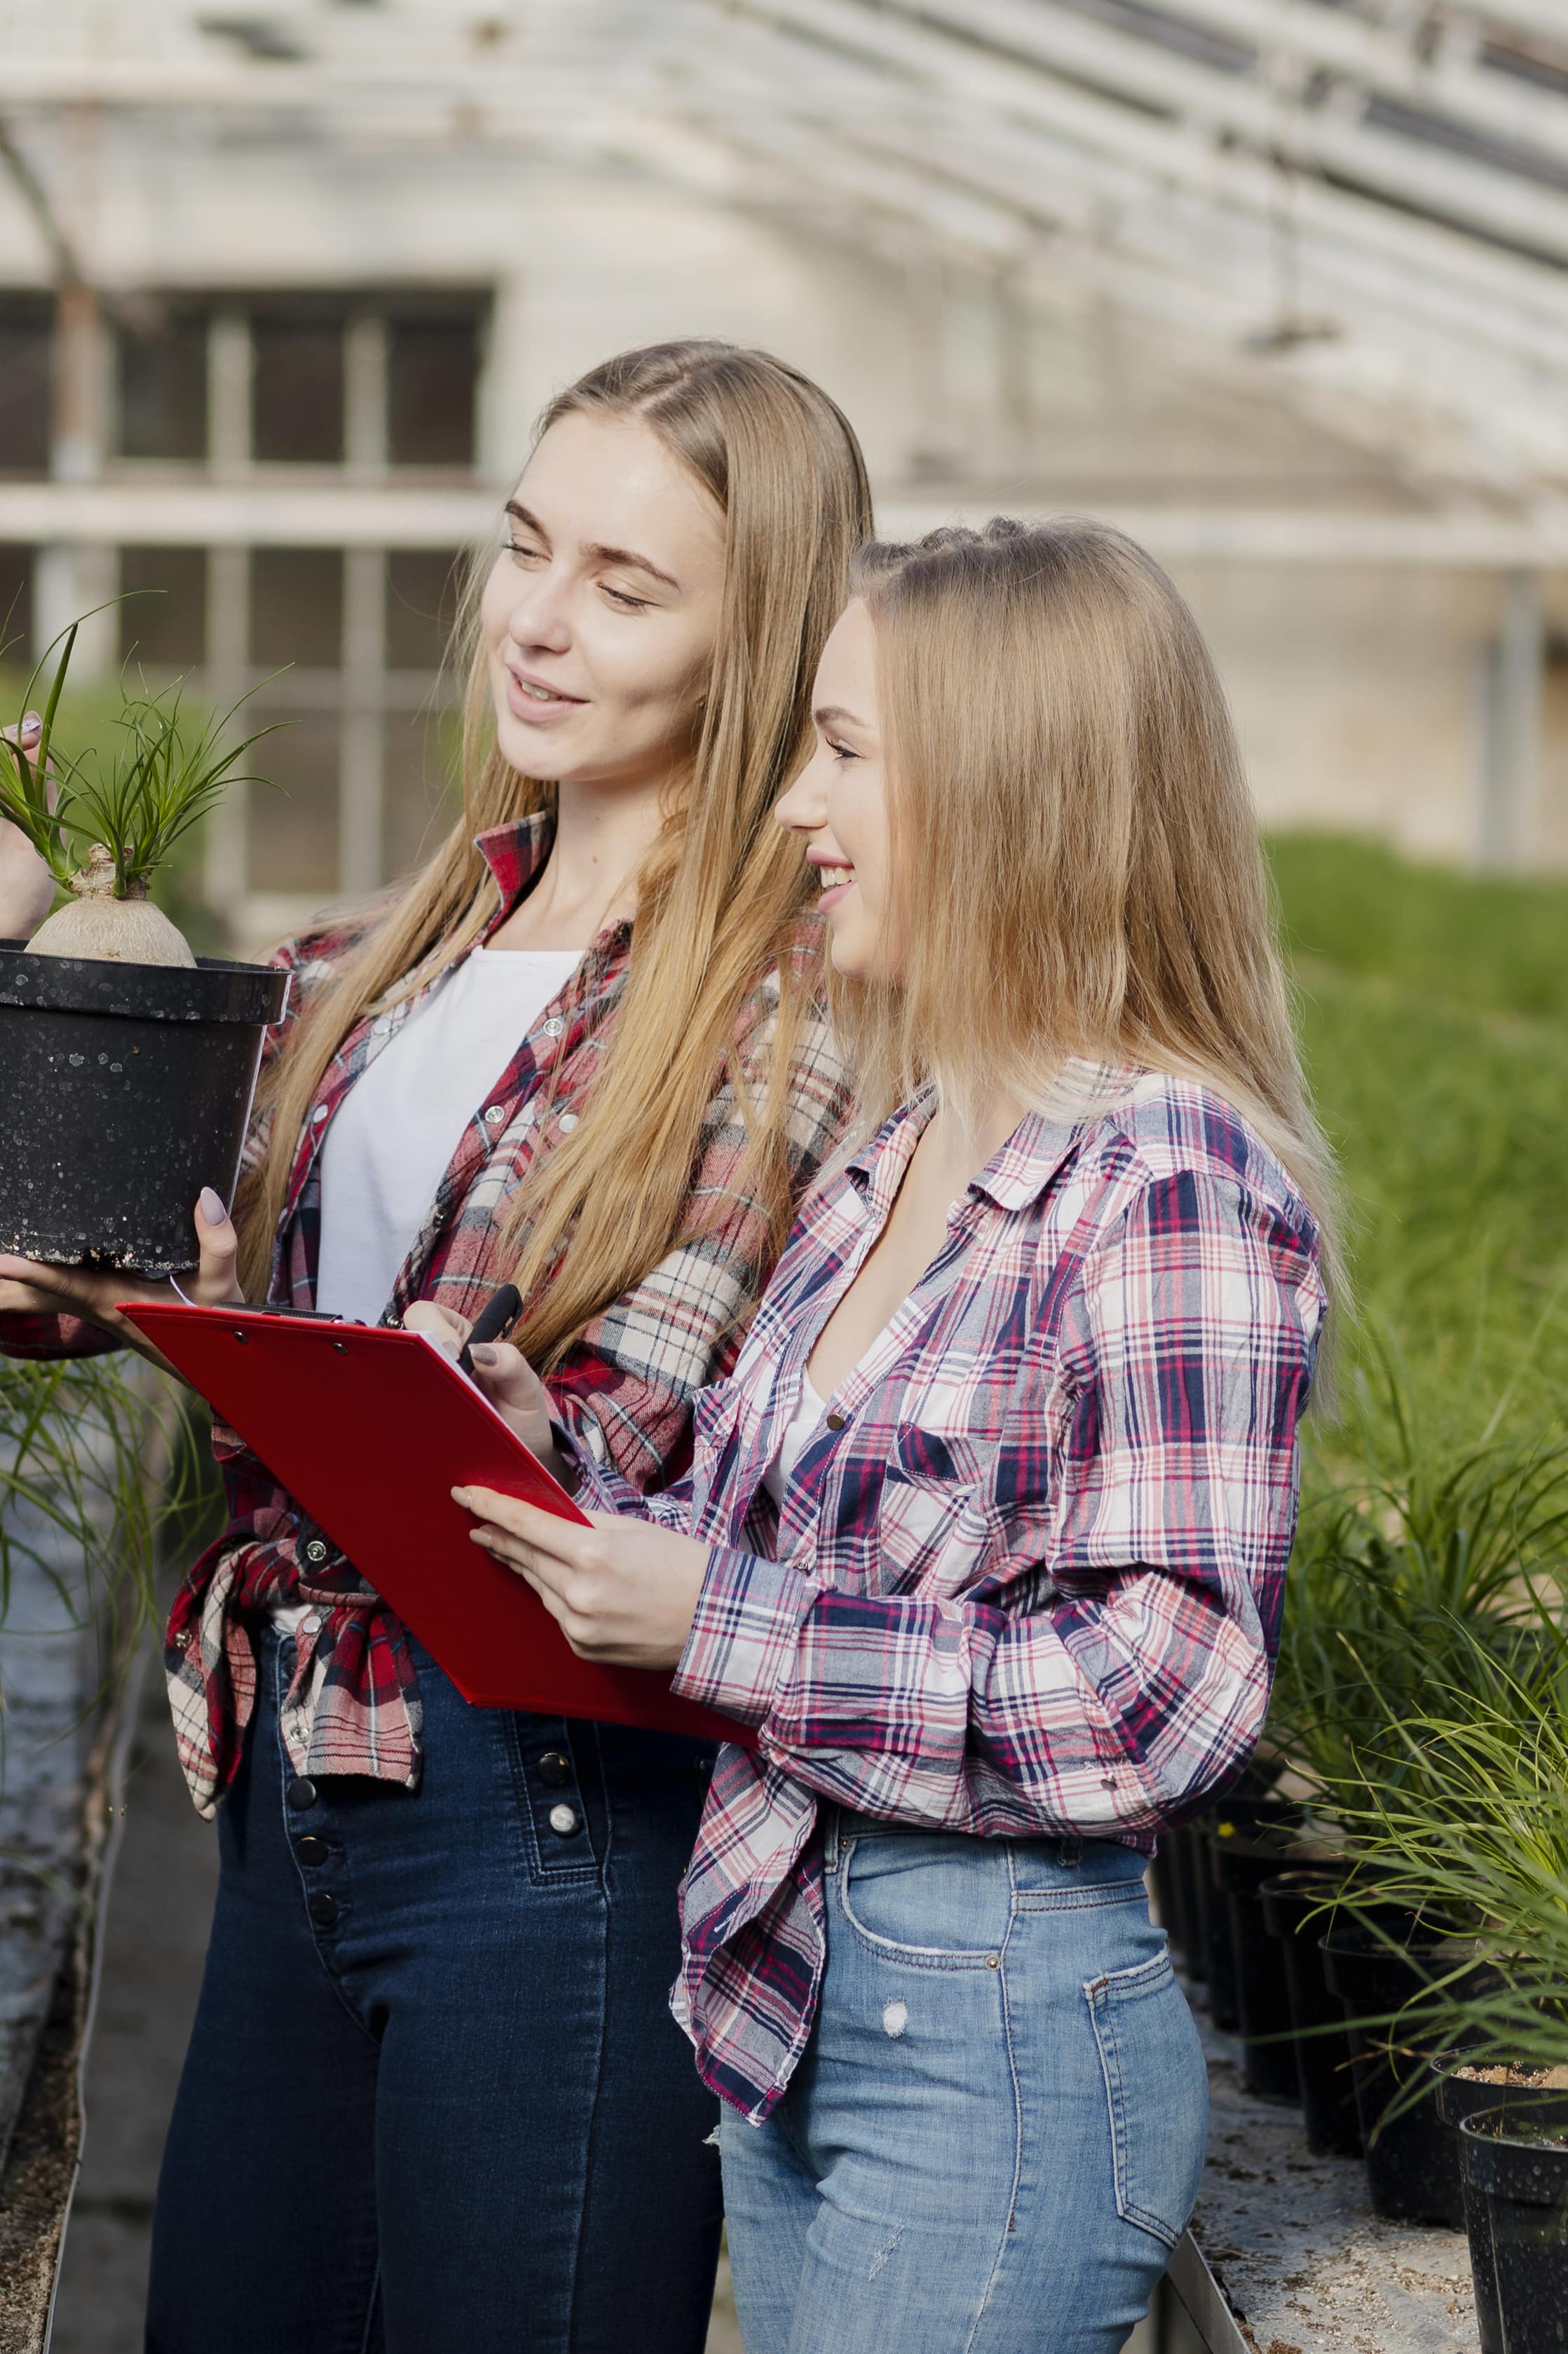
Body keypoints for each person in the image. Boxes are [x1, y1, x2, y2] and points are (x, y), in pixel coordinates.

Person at [0, 341, 869, 2354]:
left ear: (757, 634)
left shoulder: (787, 1004)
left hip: (551, 1816)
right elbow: (202, 1279)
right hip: (295, 1779)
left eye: (624, 582)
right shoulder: (377, 954)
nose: (535, 618)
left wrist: (269, 1356)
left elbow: (605, 1445)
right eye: (524, 547)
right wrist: (14, 960)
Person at [450, 517, 1336, 2354]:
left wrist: (717, 1626)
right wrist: (569, 1476)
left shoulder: (1165, 1178)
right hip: (799, 1995)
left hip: (992, 2034)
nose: (790, 803)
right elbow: (776, 1546)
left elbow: (1164, 1693)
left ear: (1010, 786)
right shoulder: (897, 1153)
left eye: (844, 750)